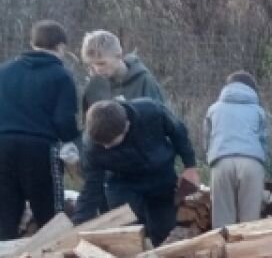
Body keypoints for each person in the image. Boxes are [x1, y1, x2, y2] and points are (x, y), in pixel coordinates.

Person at [74, 30, 168, 224]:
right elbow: (89, 127)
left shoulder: (144, 80)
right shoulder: (94, 86)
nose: (97, 69)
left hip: (142, 166)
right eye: (92, 65)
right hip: (108, 168)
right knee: (116, 224)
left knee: (147, 224)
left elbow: (160, 123)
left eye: (101, 63)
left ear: (118, 56)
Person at [0, 21, 79, 240]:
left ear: (32, 44)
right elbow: (64, 120)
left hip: (2, 146)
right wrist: (72, 141)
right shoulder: (61, 76)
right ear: (61, 47)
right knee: (50, 216)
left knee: (5, 215)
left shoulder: (4, 71)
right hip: (40, 148)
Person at [83, 99, 199, 246]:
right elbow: (91, 186)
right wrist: (79, 223)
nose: (105, 148)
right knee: (125, 231)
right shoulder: (92, 146)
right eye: (102, 144)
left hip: (160, 176)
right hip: (122, 182)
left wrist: (190, 166)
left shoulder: (152, 111)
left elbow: (179, 133)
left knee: (165, 231)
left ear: (126, 126)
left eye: (111, 143)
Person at [205, 72, 270, 228]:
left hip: (221, 162)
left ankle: (222, 250)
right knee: (250, 223)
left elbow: (207, 140)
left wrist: (211, 158)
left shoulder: (214, 109)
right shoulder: (258, 111)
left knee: (222, 222)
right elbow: (264, 141)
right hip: (251, 163)